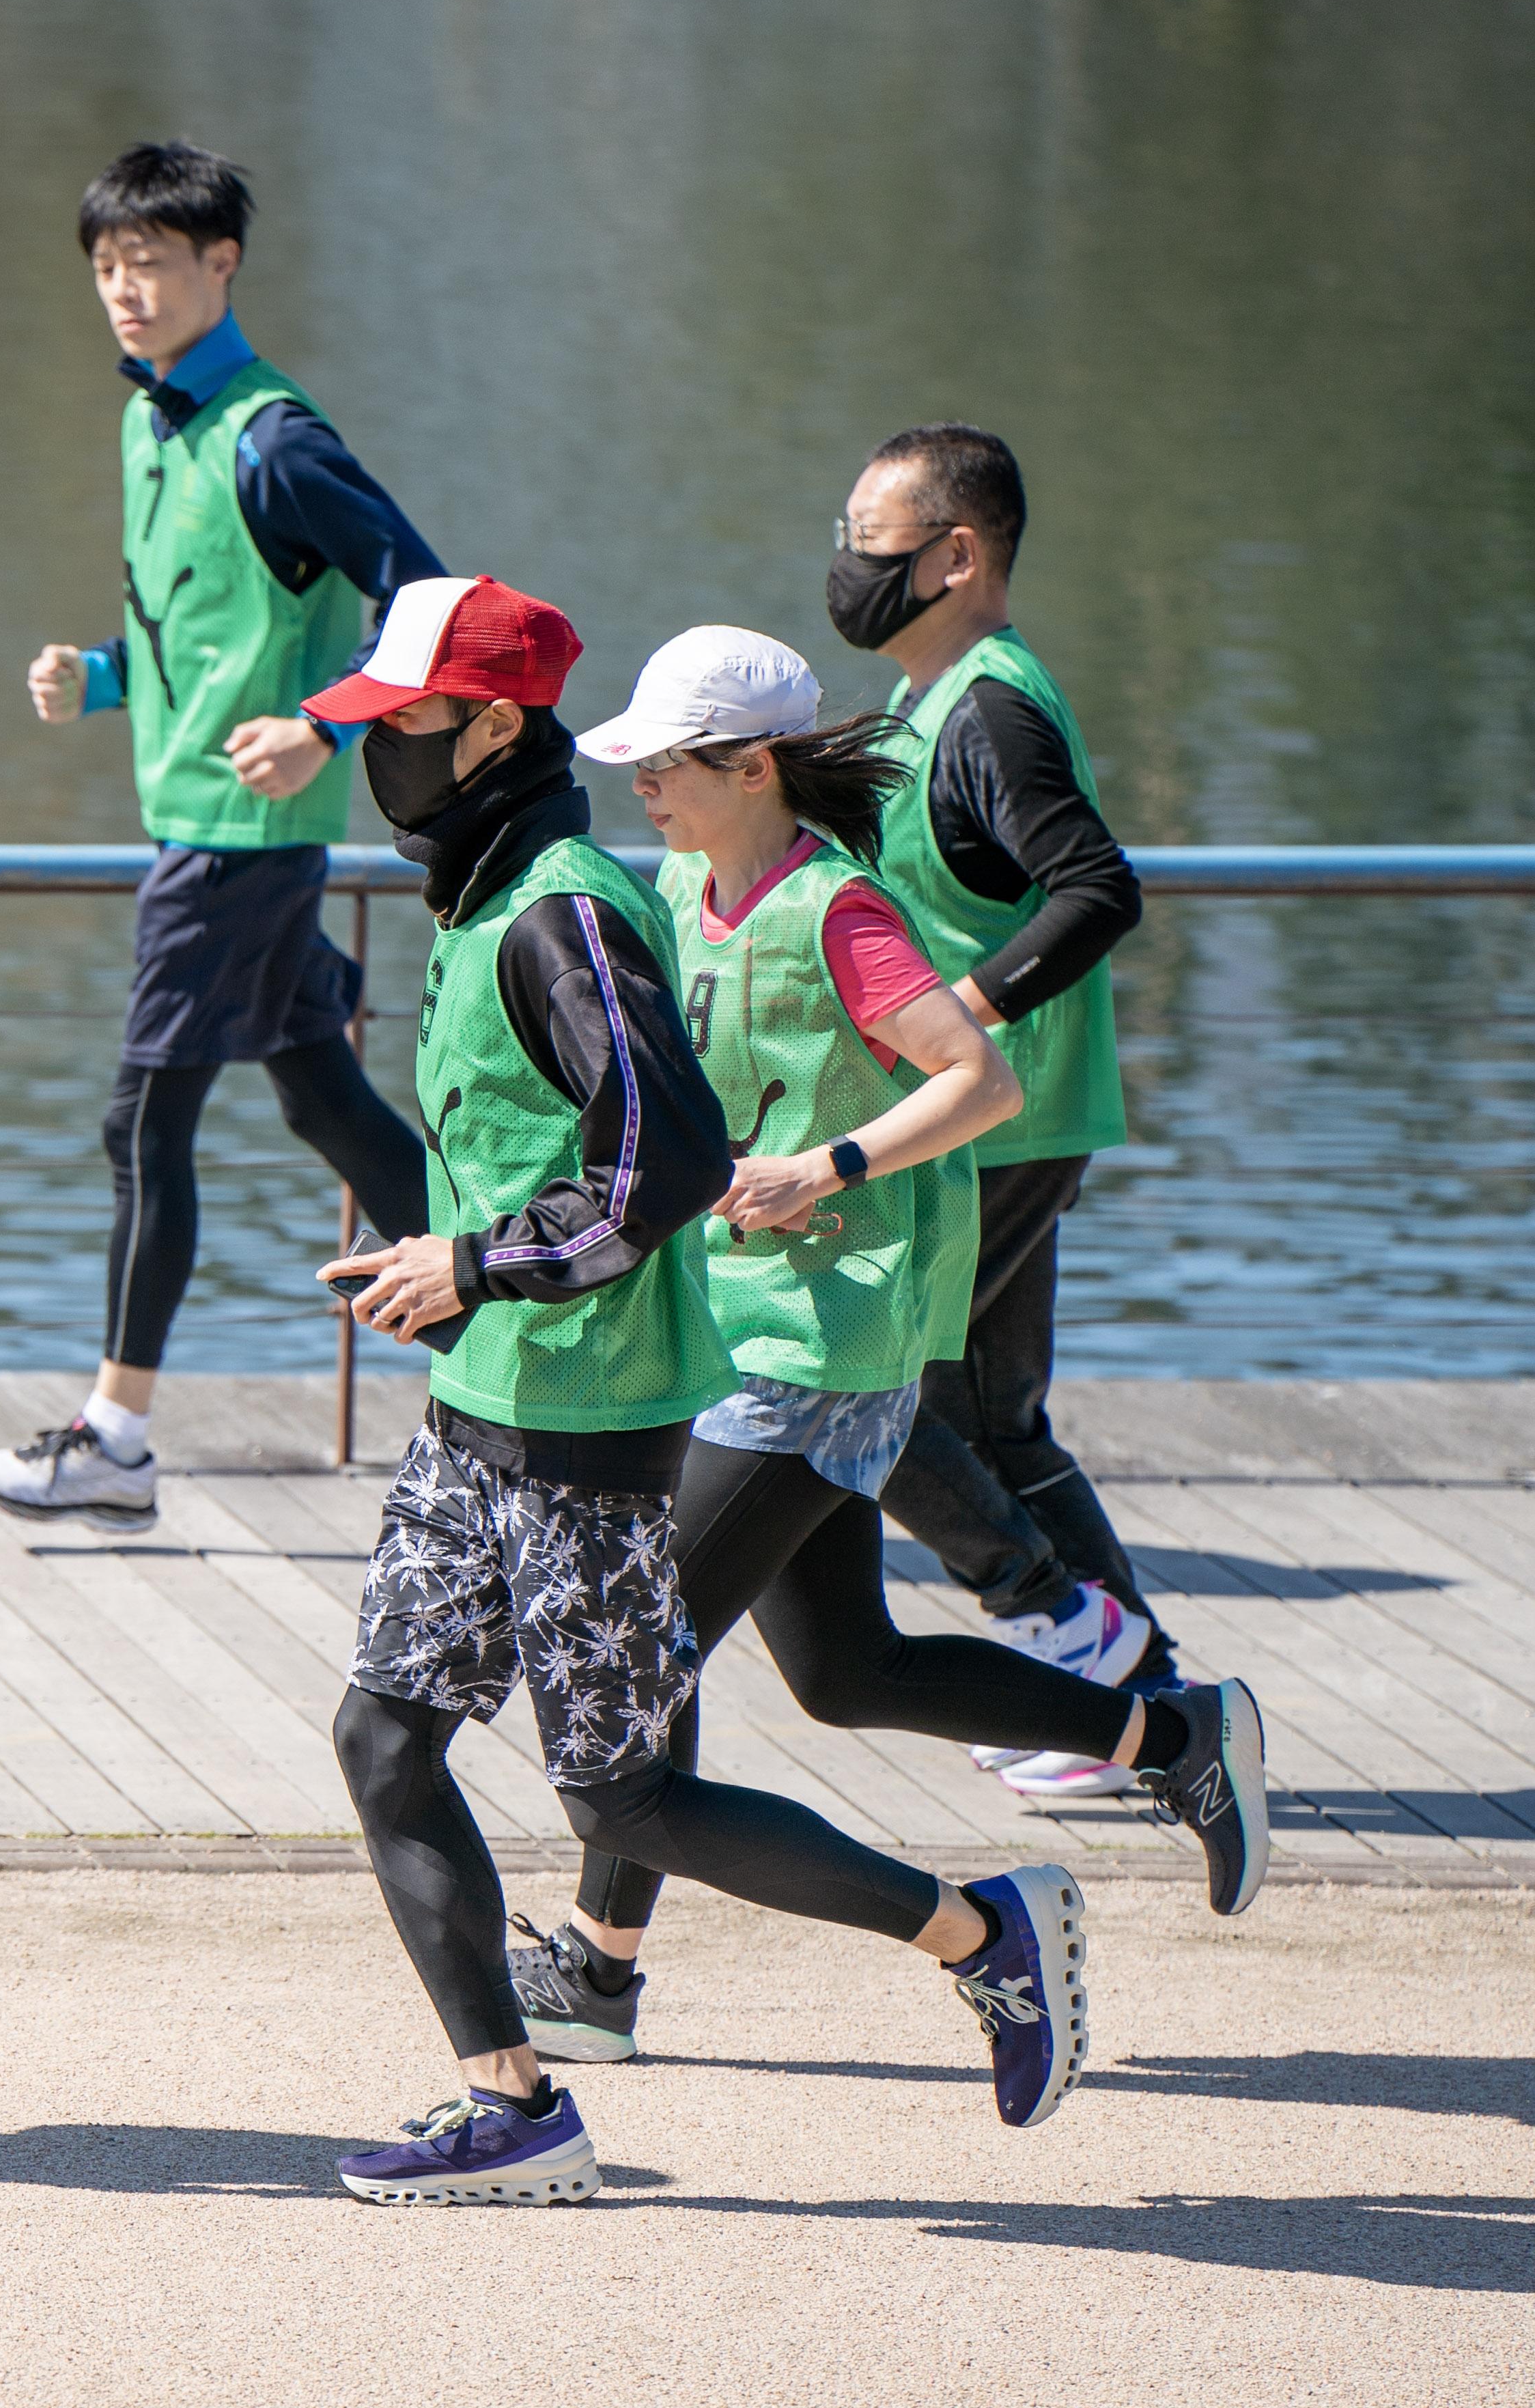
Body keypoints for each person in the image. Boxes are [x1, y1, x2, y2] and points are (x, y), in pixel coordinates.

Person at [305, 577, 1089, 2207]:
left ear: (494, 729)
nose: (379, 753)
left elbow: (661, 1162)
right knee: (384, 1739)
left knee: (625, 1794)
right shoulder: (483, 897)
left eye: (403, 724)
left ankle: (980, 1931)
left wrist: (477, 1264)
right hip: (479, 1409)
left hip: (591, 1428)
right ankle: (514, 2105)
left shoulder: (564, 911)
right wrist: (442, 1262)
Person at [497, 630, 1269, 2067]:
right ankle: (1175, 1740)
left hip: (821, 1339)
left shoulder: (840, 909)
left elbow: (982, 1079)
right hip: (725, 1324)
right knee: (844, 1669)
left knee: (643, 1657)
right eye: (637, 763)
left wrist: (830, 1163)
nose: (642, 785)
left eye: (665, 763)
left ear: (752, 767)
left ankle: (599, 1979)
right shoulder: (674, 891)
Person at [0, 140, 437, 1535]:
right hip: (200, 822)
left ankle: (114, 1439)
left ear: (222, 265)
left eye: (153, 263)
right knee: (324, 1104)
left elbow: (428, 599)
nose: (126, 289)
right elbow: (207, 629)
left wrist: (327, 728)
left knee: (142, 1122)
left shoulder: (274, 439)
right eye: (107, 266)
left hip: (237, 838)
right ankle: (547, 1331)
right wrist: (101, 678)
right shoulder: (150, 423)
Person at [832, 424, 1168, 1791]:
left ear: (957, 556)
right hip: (998, 1123)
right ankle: (1141, 1702)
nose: (848, 568)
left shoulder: (988, 708)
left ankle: (1066, 1636)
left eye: (872, 544)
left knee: (872, 1393)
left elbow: (1096, 888)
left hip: (995, 1124)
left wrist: (960, 1017)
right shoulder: (932, 698)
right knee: (991, 1420)